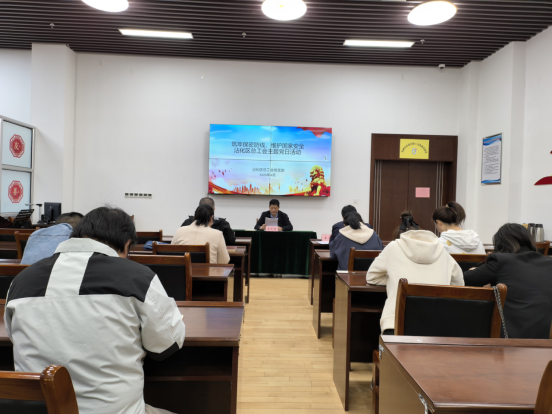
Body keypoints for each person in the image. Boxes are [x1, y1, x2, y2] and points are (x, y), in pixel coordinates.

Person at [5, 206, 185, 414]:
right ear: (127, 244)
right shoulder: (138, 278)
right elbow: (167, 344)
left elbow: (14, 337)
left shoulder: (21, 281)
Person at [366, 211, 464, 335]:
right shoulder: (442, 250)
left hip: (396, 323)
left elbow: (372, 277)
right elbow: (458, 284)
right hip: (437, 325)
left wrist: (395, 279)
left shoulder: (393, 247)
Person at [464, 223, 552, 339]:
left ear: (500, 243)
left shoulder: (501, 261)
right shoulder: (549, 263)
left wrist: (474, 271)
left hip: (509, 337)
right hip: (543, 337)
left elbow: (465, 279)